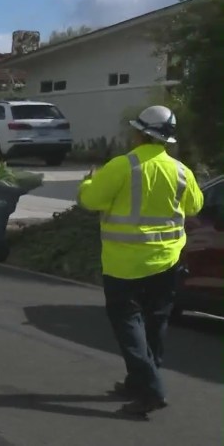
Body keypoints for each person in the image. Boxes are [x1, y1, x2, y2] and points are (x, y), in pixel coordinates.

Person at [77, 105, 204, 417]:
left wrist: (88, 182)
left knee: (128, 325)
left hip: (125, 264)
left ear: (140, 134)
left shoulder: (123, 166)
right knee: (155, 323)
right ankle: (139, 381)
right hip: (167, 262)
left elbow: (91, 200)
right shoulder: (180, 171)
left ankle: (151, 389)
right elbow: (195, 206)